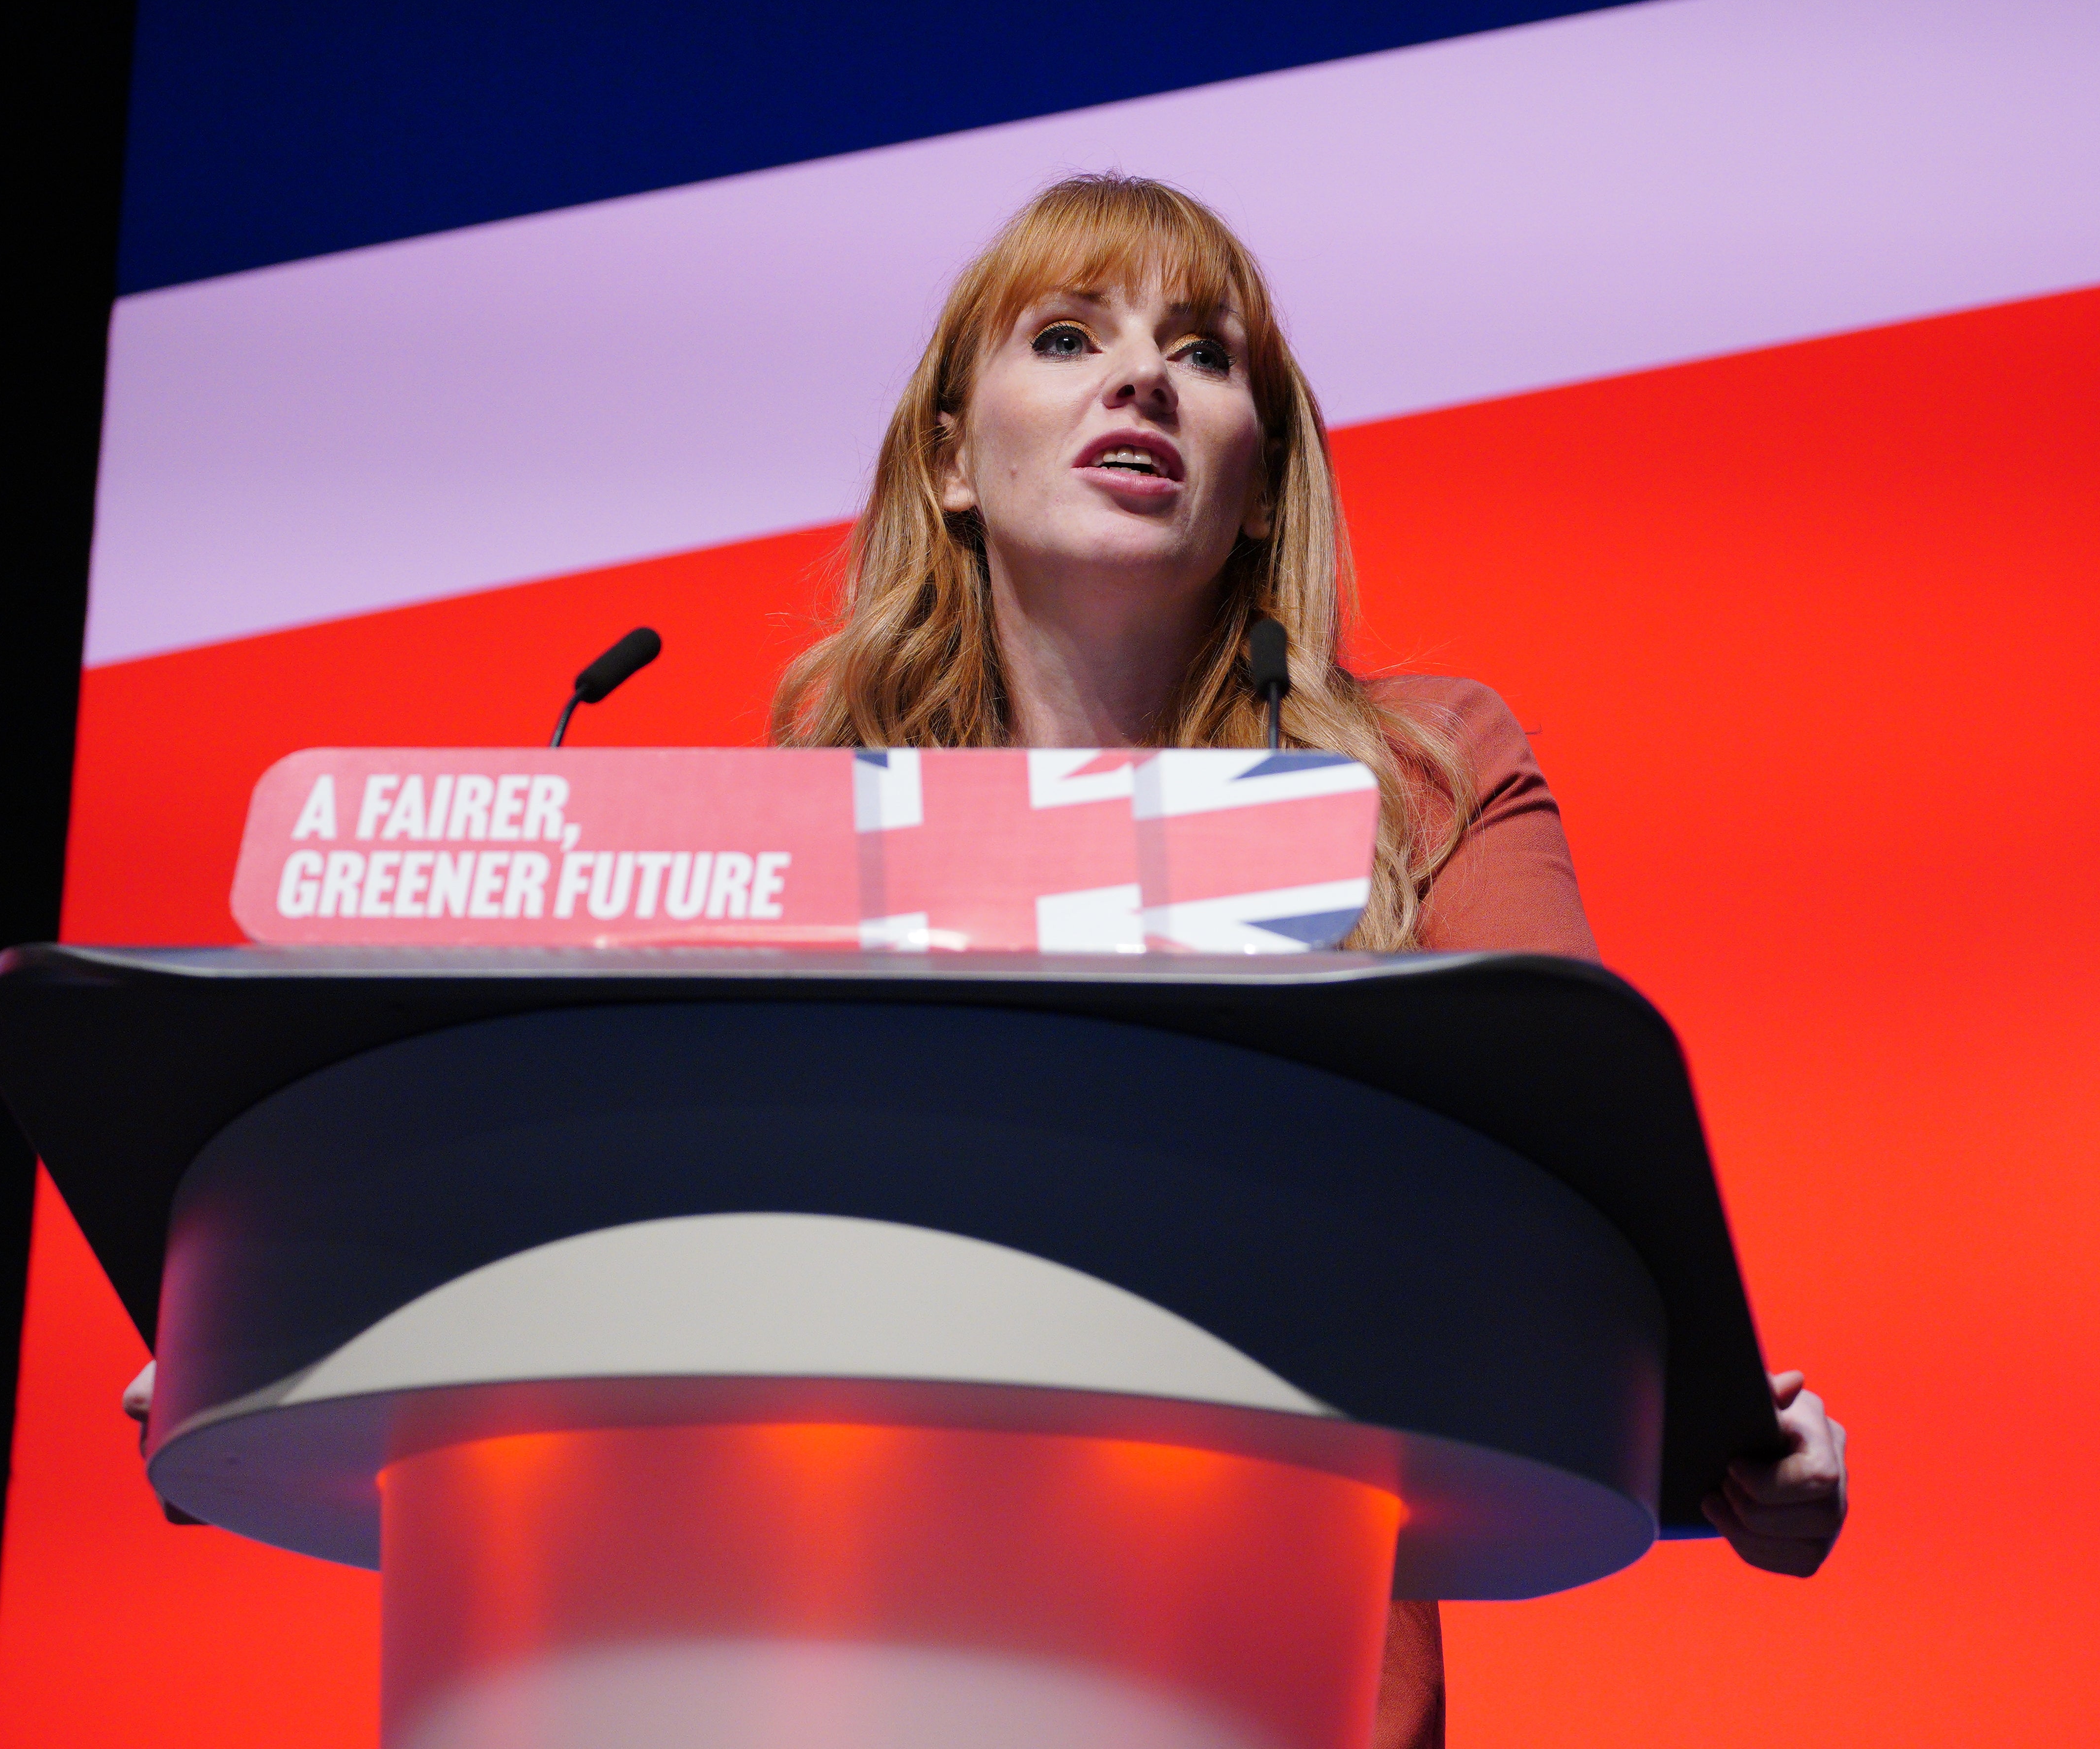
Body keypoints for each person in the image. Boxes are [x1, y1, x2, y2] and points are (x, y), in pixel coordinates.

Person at [771, 174, 1848, 1748]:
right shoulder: (817, 823)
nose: (1142, 378)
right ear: (950, 455)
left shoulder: (1415, 784)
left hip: (1287, 1682)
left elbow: (1575, 1203)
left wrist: (1725, 1444)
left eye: (1204, 357)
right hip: (867, 1650)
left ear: (1264, 486)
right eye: (1068, 336)